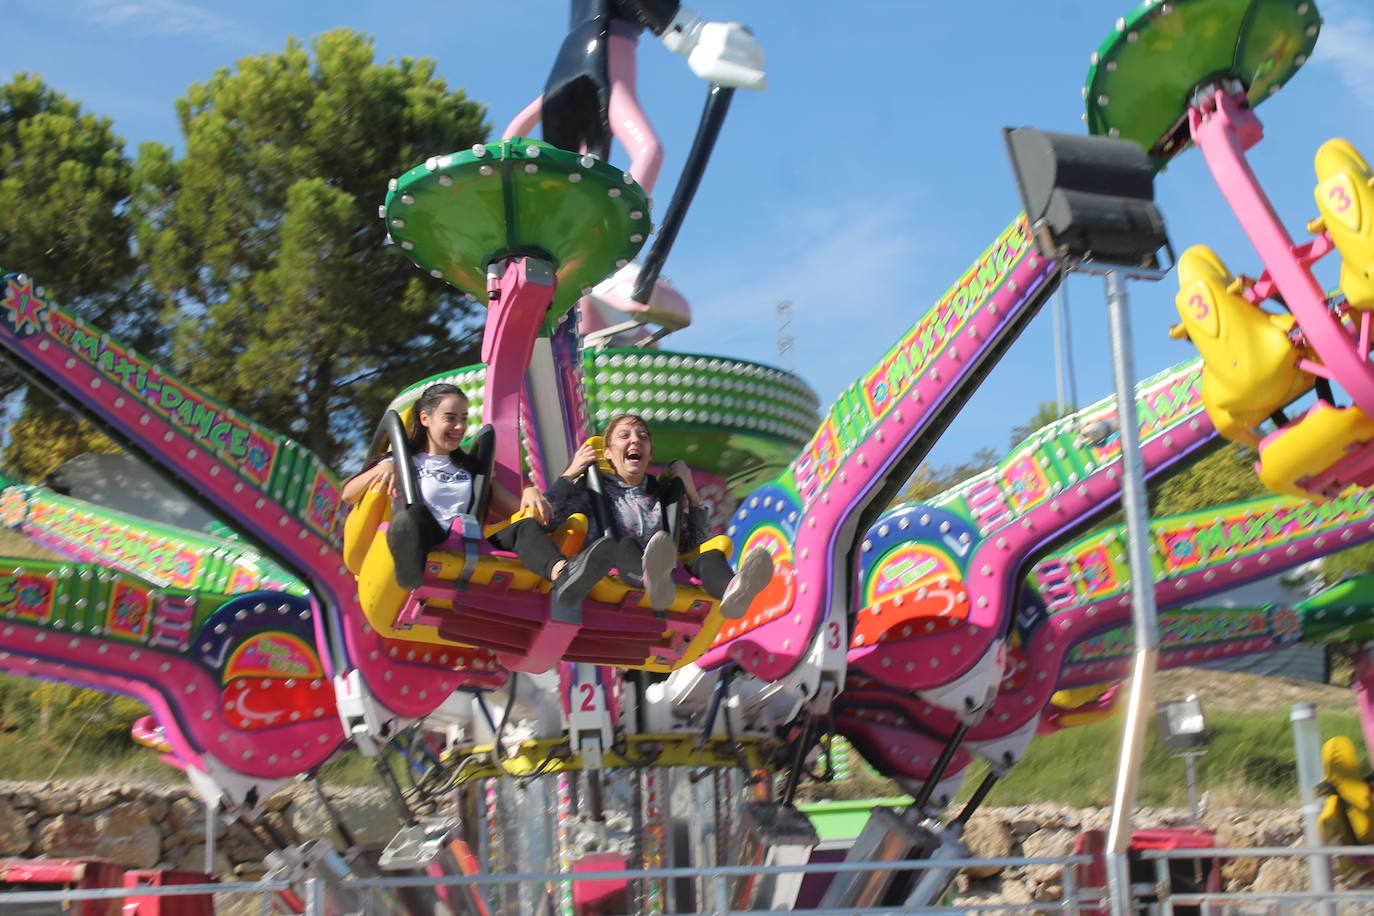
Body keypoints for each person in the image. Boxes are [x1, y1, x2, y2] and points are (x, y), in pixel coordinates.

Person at [342, 383, 615, 604]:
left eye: (463, 419)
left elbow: (517, 510)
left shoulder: (473, 471)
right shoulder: (402, 461)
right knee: (415, 515)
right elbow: (348, 494)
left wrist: (530, 492)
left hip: (468, 538)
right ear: (425, 418)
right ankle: (411, 576)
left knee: (525, 527)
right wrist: (384, 467)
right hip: (426, 534)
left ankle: (564, 574)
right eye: (450, 418)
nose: (459, 427)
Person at [543, 413, 773, 617]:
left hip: (666, 576)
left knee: (710, 553)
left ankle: (734, 590)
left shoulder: (661, 498)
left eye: (642, 436)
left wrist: (692, 494)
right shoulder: (592, 491)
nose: (635, 440)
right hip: (612, 573)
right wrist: (570, 474)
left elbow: (696, 543)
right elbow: (549, 519)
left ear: (649, 453)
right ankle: (651, 578)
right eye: (624, 436)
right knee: (624, 544)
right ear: (609, 454)